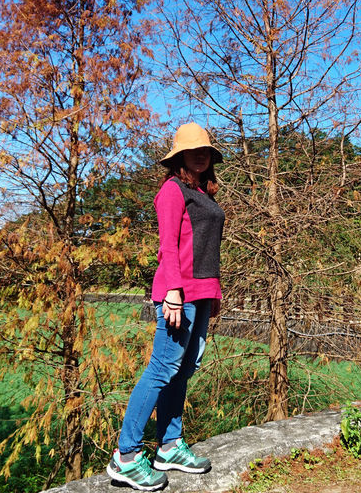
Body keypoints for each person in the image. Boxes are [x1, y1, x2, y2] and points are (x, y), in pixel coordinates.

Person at [107, 123, 225, 491]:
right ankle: (125, 456)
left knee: (183, 369)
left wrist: (213, 294)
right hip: (179, 295)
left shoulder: (202, 194)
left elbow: (207, 251)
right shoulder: (172, 192)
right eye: (193, 150)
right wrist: (173, 290)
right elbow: (168, 247)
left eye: (205, 149)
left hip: (200, 294)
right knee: (162, 368)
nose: (201, 154)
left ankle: (169, 446)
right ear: (178, 158)